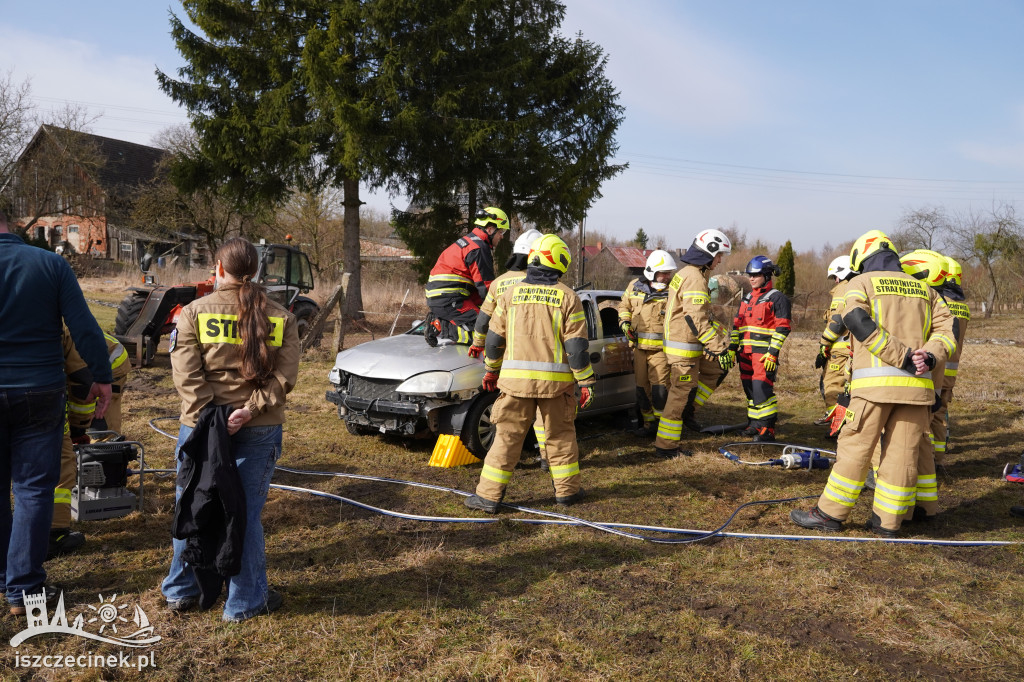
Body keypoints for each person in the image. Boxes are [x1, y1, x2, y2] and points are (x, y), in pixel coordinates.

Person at [161, 237, 299, 622]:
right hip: (258, 428)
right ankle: (244, 602)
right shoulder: (281, 316)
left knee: (192, 503)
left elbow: (187, 377)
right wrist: (247, 411)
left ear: (218, 269)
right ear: (253, 271)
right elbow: (286, 377)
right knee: (246, 514)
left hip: (202, 430)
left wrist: (215, 419)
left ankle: (181, 590)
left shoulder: (191, 313)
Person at [790, 230, 955, 538]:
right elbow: (947, 331)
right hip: (917, 390)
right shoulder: (926, 290)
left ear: (862, 259)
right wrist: (929, 358)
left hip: (874, 389)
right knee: (902, 456)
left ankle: (829, 514)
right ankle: (887, 523)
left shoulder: (861, 282)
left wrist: (902, 356)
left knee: (855, 449)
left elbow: (855, 320)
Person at [0, 207, 112, 616]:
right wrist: (101, 377)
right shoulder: (49, 263)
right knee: (32, 489)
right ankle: (24, 589)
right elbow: (84, 327)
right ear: (9, 221)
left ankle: (5, 577)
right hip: (39, 389)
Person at [464, 234, 595, 512]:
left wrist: (491, 370)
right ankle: (567, 493)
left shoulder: (509, 294)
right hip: (556, 388)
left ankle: (487, 497)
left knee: (506, 438)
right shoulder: (569, 297)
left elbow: (493, 340)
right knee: (560, 438)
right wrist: (586, 381)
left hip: (514, 385)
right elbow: (577, 347)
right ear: (559, 262)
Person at [468, 229, 550, 465]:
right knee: (542, 412)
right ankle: (546, 457)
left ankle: (504, 459)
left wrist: (477, 344)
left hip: (507, 360)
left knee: (509, 412)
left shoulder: (499, 283)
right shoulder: (547, 284)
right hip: (541, 356)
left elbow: (484, 320)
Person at [50, 327, 130, 559]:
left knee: (101, 424)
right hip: (84, 364)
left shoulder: (59, 333)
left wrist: (77, 430)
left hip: (111, 363)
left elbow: (82, 395)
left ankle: (108, 478)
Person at [654, 229, 734, 458]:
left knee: (715, 370)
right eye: (719, 255)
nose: (719, 261)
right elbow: (695, 318)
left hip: (689, 345)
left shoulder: (688, 273)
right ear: (709, 252)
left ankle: (689, 411)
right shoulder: (695, 278)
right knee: (678, 396)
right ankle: (666, 447)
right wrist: (719, 348)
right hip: (685, 349)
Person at [424, 207, 509, 346]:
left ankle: (440, 320)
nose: (502, 236)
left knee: (485, 314)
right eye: (501, 231)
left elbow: (477, 289)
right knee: (486, 332)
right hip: (450, 298)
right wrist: (502, 311)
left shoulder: (469, 241)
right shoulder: (479, 248)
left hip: (445, 295)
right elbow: (486, 288)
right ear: (489, 229)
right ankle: (440, 325)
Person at [731, 256, 791, 442]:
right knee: (750, 393)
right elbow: (737, 325)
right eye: (750, 275)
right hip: (745, 353)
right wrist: (733, 347)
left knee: (762, 391)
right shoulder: (746, 298)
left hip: (764, 356)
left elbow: (783, 328)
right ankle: (755, 425)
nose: (751, 278)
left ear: (766, 275)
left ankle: (768, 429)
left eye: (756, 275)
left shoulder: (777, 298)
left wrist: (773, 353)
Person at [618, 250, 677, 437]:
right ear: (652, 271)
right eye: (664, 273)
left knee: (660, 391)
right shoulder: (634, 286)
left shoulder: (673, 291)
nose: (667, 277)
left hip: (660, 351)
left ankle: (663, 427)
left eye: (669, 273)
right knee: (641, 389)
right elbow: (623, 306)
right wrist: (625, 323)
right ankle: (649, 425)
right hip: (638, 349)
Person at [815, 256, 857, 425]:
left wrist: (823, 344)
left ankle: (836, 424)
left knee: (833, 386)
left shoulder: (844, 288)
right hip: (854, 348)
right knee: (850, 386)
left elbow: (837, 322)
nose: (835, 282)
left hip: (840, 351)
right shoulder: (861, 287)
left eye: (835, 277)